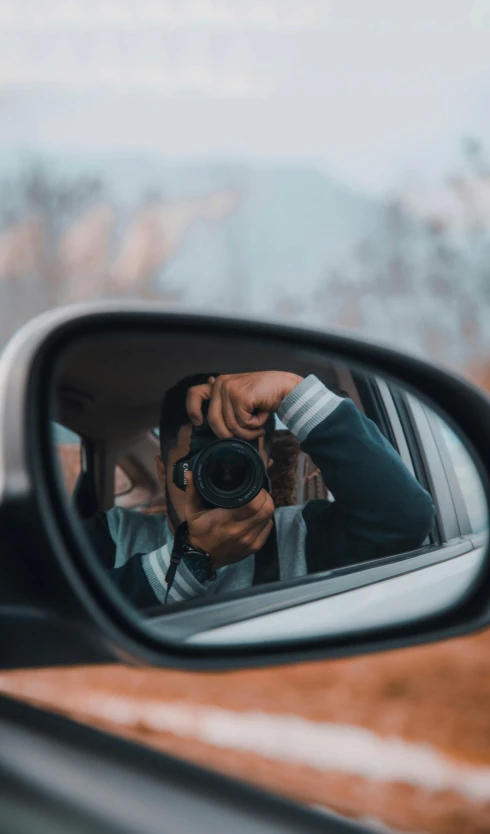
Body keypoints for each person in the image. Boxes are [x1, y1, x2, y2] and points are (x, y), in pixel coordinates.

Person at [84, 371, 435, 608]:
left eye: (240, 458)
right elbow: (54, 606)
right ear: (164, 472)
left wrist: (292, 390)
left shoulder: (302, 536)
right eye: (200, 459)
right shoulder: (115, 535)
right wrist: (193, 560)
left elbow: (404, 519)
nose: (222, 472)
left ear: (266, 463)